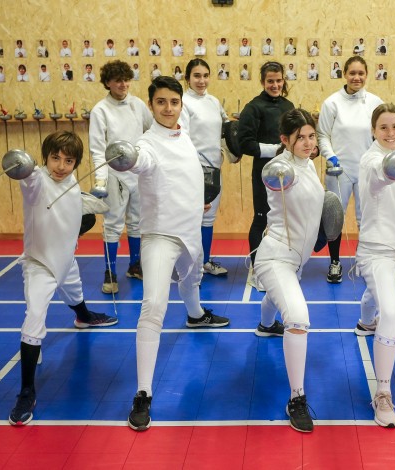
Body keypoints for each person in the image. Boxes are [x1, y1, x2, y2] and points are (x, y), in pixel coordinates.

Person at [126, 76, 230, 432]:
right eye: (161, 103)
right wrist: (125, 158)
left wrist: (198, 196)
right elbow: (139, 161)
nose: (168, 108)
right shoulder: (146, 143)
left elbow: (186, 171)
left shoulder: (182, 132)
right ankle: (143, 392)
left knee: (193, 278)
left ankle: (195, 315)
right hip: (159, 236)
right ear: (151, 105)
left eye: (173, 102)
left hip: (190, 230)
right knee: (153, 305)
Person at [8, 130, 118, 426]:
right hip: (40, 264)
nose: (60, 165)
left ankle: (83, 317)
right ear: (45, 158)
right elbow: (27, 177)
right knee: (34, 319)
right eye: (55, 158)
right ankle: (27, 390)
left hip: (66, 259)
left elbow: (75, 207)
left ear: (75, 164)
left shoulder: (70, 182)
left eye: (68, 160)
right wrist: (22, 167)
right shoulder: (36, 182)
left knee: (74, 292)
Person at [254, 108, 324, 432]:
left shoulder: (308, 163)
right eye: (301, 138)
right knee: (297, 318)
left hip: (296, 260)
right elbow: (276, 173)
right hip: (276, 258)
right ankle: (296, 397)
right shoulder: (282, 168)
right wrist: (277, 171)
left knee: (274, 297)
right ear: (284, 140)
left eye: (312, 136)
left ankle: (266, 325)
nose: (308, 142)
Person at [355, 103, 395, 428]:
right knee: (391, 311)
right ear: (374, 131)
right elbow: (381, 174)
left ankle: (365, 323)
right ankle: (383, 393)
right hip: (376, 250)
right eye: (384, 128)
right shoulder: (373, 160)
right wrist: (394, 167)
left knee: (376, 294)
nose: (391, 133)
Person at [318, 56, 384, 283]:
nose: (357, 77)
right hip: (339, 170)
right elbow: (322, 135)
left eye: (361, 73)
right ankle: (335, 262)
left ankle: (364, 260)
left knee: (366, 218)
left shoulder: (376, 102)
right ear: (344, 74)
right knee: (334, 217)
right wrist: (331, 156)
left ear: (366, 75)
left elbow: (381, 134)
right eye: (352, 73)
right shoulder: (332, 103)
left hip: (367, 170)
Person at [89, 61, 153, 294]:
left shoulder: (137, 105)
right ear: (107, 83)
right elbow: (97, 149)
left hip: (137, 172)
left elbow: (152, 131)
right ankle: (110, 272)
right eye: (117, 81)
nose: (123, 84)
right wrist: (100, 180)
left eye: (126, 80)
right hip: (114, 174)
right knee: (113, 224)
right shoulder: (100, 110)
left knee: (137, 221)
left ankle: (135, 266)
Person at [237, 62, 295, 289]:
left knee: (284, 219)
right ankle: (257, 270)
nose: (275, 85)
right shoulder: (253, 107)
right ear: (263, 82)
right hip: (264, 172)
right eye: (270, 81)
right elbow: (245, 143)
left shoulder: (288, 105)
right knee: (262, 218)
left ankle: (282, 265)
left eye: (278, 80)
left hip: (287, 172)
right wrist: (275, 149)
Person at [180, 59, 231, 277]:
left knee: (208, 219)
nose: (202, 81)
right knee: (193, 218)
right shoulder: (183, 102)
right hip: (194, 170)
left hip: (214, 168)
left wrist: (230, 149)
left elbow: (226, 128)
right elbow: (181, 137)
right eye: (197, 76)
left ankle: (206, 262)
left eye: (205, 75)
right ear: (188, 78)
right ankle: (191, 268)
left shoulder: (213, 101)